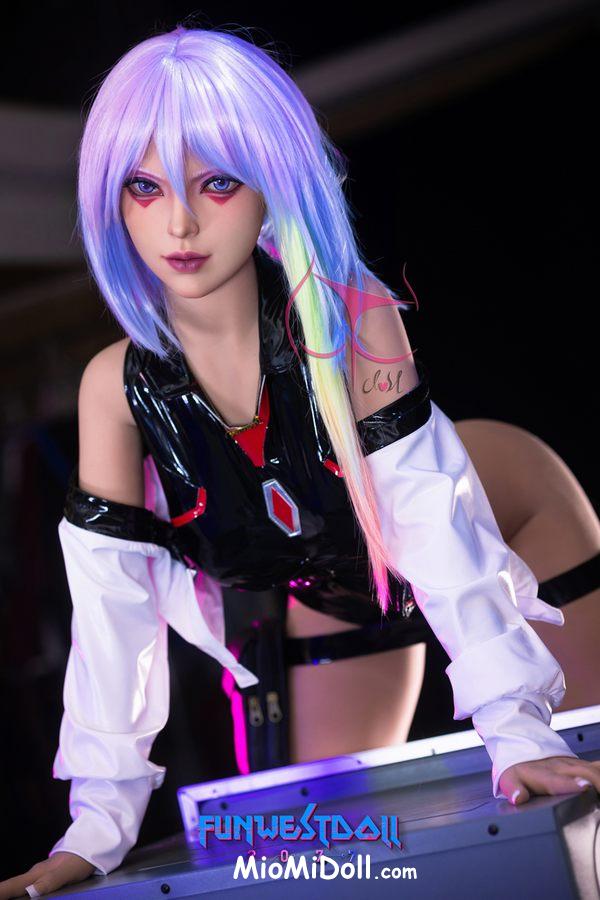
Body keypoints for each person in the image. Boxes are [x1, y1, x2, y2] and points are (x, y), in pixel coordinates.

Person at [2, 23, 599, 899]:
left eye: (217, 182)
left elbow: (439, 533)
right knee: (322, 867)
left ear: (271, 183)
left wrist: (519, 732)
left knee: (573, 804)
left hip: (512, 524)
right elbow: (112, 617)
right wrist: (95, 830)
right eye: (144, 187)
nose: (179, 223)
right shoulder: (114, 391)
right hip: (336, 586)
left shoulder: (352, 320)